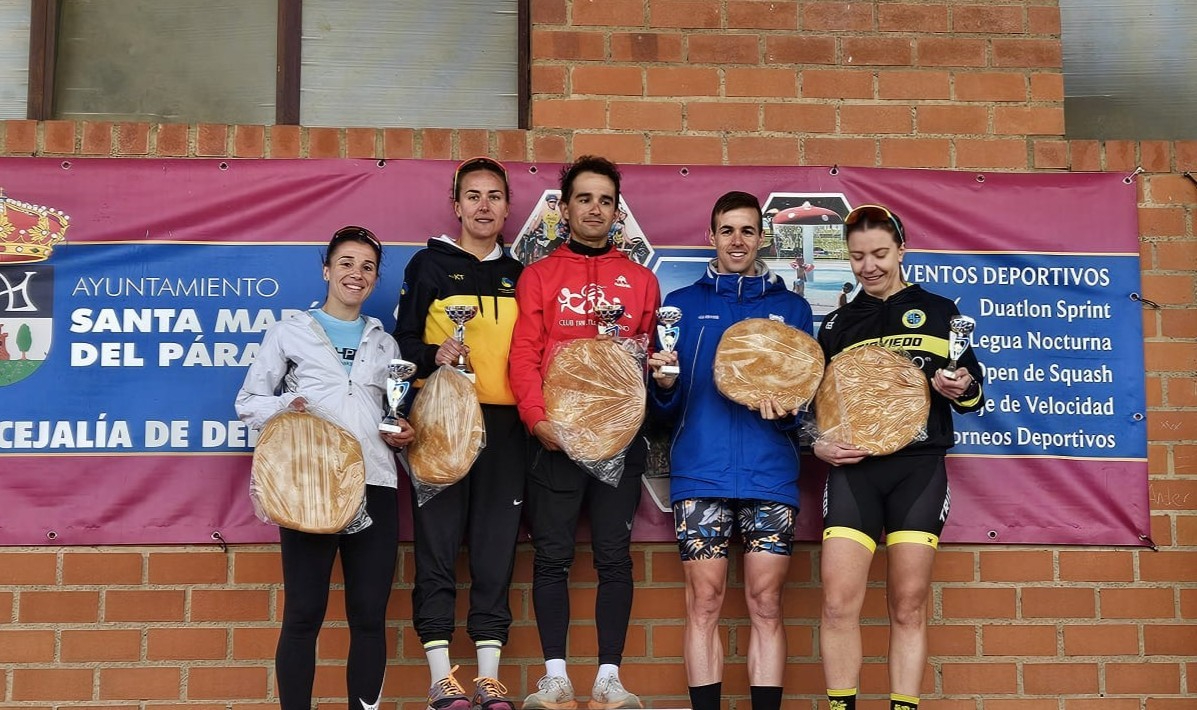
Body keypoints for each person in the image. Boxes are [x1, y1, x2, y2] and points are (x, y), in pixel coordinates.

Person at [812, 205, 985, 710]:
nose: (869, 266)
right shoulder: (838, 324)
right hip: (854, 473)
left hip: (918, 471)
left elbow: (975, 393)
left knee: (907, 605)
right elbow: (817, 407)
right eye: (858, 256)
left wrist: (959, 385)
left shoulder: (940, 311)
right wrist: (817, 443)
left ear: (902, 250)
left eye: (880, 254)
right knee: (838, 601)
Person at [647, 191, 814, 710]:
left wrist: (789, 410)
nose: (737, 240)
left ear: (762, 238)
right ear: (710, 237)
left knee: (766, 604)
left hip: (769, 476)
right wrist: (666, 386)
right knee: (705, 602)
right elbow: (661, 414)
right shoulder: (681, 307)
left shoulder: (791, 310)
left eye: (747, 231)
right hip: (701, 474)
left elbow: (807, 404)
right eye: (727, 230)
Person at [235, 226, 412, 710]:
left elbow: (388, 416)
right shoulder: (290, 331)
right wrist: (289, 405)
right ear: (327, 270)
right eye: (348, 263)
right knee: (303, 615)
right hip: (310, 486)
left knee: (369, 616)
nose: (357, 274)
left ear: (375, 279)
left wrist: (402, 433)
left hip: (374, 483)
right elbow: (247, 402)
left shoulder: (386, 344)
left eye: (367, 267)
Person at [508, 155, 661, 710]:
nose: (594, 209)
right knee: (551, 556)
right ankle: (554, 678)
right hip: (554, 439)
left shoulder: (642, 281)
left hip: (619, 442)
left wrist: (650, 392)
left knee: (613, 556)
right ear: (564, 208)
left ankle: (608, 679)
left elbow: (648, 362)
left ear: (617, 212)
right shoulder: (540, 275)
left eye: (605, 200)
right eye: (583, 198)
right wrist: (536, 418)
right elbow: (523, 353)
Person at [392, 157, 526, 710]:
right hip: (442, 421)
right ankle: (441, 677)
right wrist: (432, 355)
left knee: (496, 549)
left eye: (494, 196)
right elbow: (399, 346)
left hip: (505, 428)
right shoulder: (427, 266)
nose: (484, 206)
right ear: (456, 204)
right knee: (438, 545)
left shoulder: (523, 275)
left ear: (506, 206)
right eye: (473, 196)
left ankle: (489, 678)